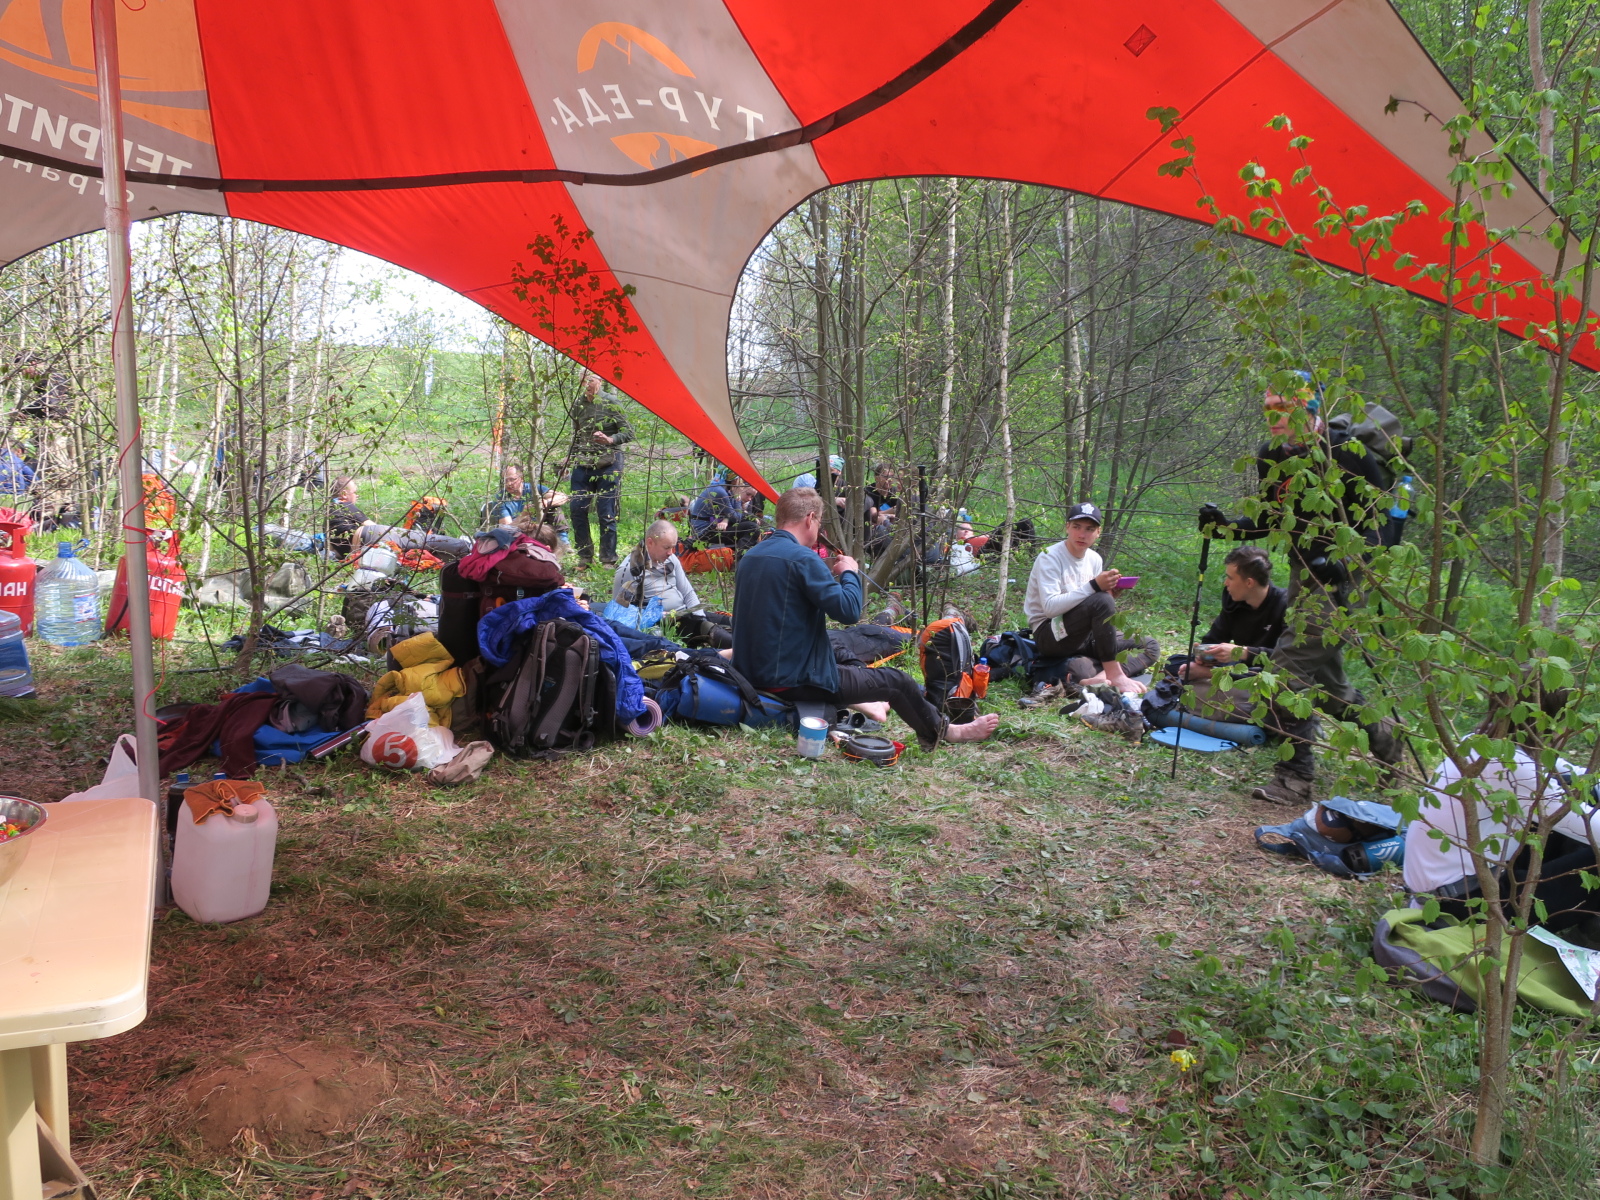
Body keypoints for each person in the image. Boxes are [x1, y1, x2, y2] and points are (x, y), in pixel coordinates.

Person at [1201, 375, 1400, 805]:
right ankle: (1387, 735)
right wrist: (1225, 527)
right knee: (1326, 685)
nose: (1273, 417)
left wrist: (1346, 564)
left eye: (1283, 408)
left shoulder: (1348, 454)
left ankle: (1295, 778)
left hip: (1345, 583)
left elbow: (1384, 526)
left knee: (1285, 672)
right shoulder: (1271, 455)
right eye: (1268, 408)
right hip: (1303, 574)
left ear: (1309, 410)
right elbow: (1272, 517)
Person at [731, 487, 999, 751]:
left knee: (840, 652)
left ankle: (875, 703)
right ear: (811, 518)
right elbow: (848, 612)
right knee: (897, 681)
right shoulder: (803, 558)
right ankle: (948, 731)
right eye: (820, 521)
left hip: (750, 673)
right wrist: (849, 573)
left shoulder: (752, 556)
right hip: (789, 680)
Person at [1403, 688, 1600, 935]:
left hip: (1464, 885)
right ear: (1547, 720)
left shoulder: (1483, 741)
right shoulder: (1512, 767)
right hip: (1465, 905)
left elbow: (1581, 777)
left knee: (1580, 792)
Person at [1020, 502, 1156, 703]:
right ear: (1067, 527)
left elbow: (1092, 606)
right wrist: (1094, 587)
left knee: (1149, 645)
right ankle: (1114, 673)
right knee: (1101, 600)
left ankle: (1100, 675)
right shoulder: (1049, 556)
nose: (1082, 535)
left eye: (1089, 529)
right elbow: (1050, 608)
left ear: (1098, 533)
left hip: (1084, 633)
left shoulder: (1094, 559)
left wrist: (1110, 596)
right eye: (1077, 527)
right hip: (1051, 633)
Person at [1178, 546, 1289, 720]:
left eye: (1230, 578)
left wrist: (1244, 652)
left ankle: (1208, 682)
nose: (1226, 583)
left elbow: (1288, 659)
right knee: (1177, 664)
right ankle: (1208, 682)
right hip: (1237, 669)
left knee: (1261, 685)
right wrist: (1205, 656)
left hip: (1267, 676)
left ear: (1249, 582)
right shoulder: (1235, 602)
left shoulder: (1286, 606)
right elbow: (1215, 637)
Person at [566, 372, 635, 569]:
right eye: (583, 380)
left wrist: (610, 439)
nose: (586, 384)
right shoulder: (578, 404)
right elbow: (576, 435)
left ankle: (608, 559)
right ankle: (585, 557)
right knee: (577, 509)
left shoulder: (611, 402)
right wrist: (568, 459)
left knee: (606, 512)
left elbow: (629, 432)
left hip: (609, 462)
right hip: (583, 463)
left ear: (600, 381)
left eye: (590, 379)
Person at [690, 475, 763, 550]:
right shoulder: (720, 491)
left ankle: (746, 552)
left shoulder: (726, 490)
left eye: (752, 497)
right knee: (752, 528)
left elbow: (733, 513)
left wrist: (726, 520)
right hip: (704, 533)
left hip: (714, 526)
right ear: (735, 480)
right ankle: (740, 555)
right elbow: (736, 518)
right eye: (748, 494)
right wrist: (737, 497)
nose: (749, 499)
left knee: (751, 522)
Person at [327, 476, 375, 558]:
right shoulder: (346, 505)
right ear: (344, 494)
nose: (357, 495)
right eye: (354, 492)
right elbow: (372, 526)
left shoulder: (329, 511)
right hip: (357, 549)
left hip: (343, 554)